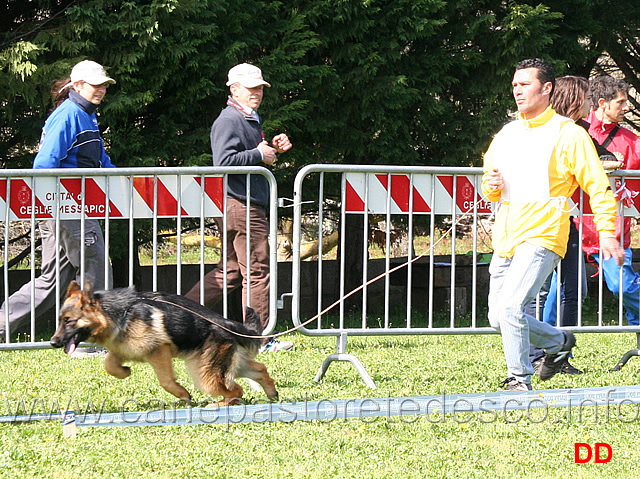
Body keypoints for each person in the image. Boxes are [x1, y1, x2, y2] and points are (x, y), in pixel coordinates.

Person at [482, 58, 625, 391]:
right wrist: (491, 183)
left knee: (512, 307)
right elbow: (490, 188)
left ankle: (518, 379)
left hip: (545, 232)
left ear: (546, 89)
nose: (517, 90)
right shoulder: (506, 133)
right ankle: (559, 341)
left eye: (525, 84)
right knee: (496, 317)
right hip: (507, 236)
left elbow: (597, 185)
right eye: (515, 84)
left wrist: (607, 233)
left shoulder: (569, 134)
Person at [0, 60, 115, 349]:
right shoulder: (70, 115)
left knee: (51, 281)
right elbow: (44, 165)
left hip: (66, 208)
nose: (100, 89)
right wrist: (56, 207)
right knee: (95, 273)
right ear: (77, 86)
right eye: (95, 84)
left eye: (103, 84)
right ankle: (88, 341)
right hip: (69, 207)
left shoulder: (85, 115)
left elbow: (100, 161)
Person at [184, 63, 293, 352]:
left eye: (259, 88)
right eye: (250, 88)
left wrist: (271, 148)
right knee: (257, 271)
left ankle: (181, 314)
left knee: (230, 271)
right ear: (234, 90)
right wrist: (259, 153)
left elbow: (245, 155)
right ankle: (259, 338)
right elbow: (224, 162)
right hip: (242, 205)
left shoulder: (246, 118)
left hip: (236, 203)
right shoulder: (229, 119)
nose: (257, 92)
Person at [528, 76, 592, 375]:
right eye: (587, 98)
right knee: (537, 290)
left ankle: (559, 355)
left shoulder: (583, 131)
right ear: (575, 99)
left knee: (573, 288)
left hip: (567, 220)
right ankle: (534, 356)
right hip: (539, 220)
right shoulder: (543, 130)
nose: (591, 104)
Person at [578, 75, 640, 326]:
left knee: (622, 286)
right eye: (621, 102)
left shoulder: (633, 142)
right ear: (602, 103)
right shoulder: (576, 131)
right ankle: (550, 356)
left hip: (612, 231)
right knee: (561, 295)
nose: (627, 108)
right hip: (574, 228)